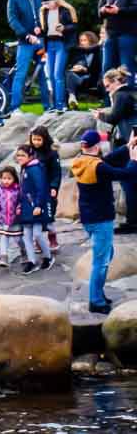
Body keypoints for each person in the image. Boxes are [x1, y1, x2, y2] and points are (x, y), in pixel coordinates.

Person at [72, 130, 137, 313]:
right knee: (100, 262)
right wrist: (133, 159)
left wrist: (127, 145)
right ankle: (96, 301)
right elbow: (126, 174)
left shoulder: (81, 161)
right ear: (96, 146)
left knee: (106, 254)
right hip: (101, 219)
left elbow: (106, 160)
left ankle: (98, 294)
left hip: (89, 217)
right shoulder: (99, 168)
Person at [95, 67, 137, 232]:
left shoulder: (121, 95)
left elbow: (114, 117)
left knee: (129, 182)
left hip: (130, 143)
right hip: (127, 141)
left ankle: (133, 222)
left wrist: (100, 116)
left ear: (116, 82)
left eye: (107, 86)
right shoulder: (130, 93)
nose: (107, 89)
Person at [7, 0, 49, 113]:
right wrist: (27, 35)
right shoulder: (14, 0)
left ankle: (48, 107)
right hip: (25, 43)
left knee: (44, 73)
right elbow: (13, 21)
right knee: (21, 73)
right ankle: (15, 108)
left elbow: (48, 15)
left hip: (42, 41)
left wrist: (41, 29)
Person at [14, 144, 53, 275]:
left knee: (37, 234)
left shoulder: (35, 169)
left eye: (22, 155)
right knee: (27, 235)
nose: (19, 158)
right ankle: (32, 261)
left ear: (30, 156)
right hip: (26, 207)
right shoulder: (24, 168)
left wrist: (38, 205)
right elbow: (23, 189)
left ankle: (48, 256)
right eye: (18, 155)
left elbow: (41, 188)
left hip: (35, 207)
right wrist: (19, 204)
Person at [39, 0, 77, 113]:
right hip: (50, 44)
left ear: (55, 0)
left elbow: (74, 26)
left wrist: (64, 28)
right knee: (50, 75)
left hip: (61, 44)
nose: (45, 5)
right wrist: (39, 30)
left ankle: (61, 104)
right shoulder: (44, 12)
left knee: (57, 74)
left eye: (47, 3)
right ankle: (54, 105)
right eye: (43, 3)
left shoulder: (65, 10)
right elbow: (44, 29)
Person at [98, 0, 137, 79]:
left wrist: (119, 11)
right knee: (107, 67)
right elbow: (99, 8)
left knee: (126, 68)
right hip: (110, 34)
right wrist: (103, 10)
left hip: (128, 34)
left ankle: (127, 95)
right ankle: (108, 96)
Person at [29, 126, 61, 253]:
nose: (36, 142)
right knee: (35, 215)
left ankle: (52, 238)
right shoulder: (31, 152)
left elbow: (56, 172)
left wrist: (54, 187)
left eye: (39, 139)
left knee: (48, 215)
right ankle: (38, 240)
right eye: (34, 139)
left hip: (47, 189)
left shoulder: (52, 154)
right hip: (33, 190)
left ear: (45, 139)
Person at [67, 31, 102, 108]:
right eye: (81, 40)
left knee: (70, 78)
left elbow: (97, 69)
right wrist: (76, 67)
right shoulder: (80, 53)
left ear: (91, 40)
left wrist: (84, 69)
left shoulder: (98, 52)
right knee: (69, 73)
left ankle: (72, 97)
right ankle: (72, 97)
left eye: (84, 40)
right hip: (82, 79)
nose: (82, 43)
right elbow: (74, 63)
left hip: (94, 79)